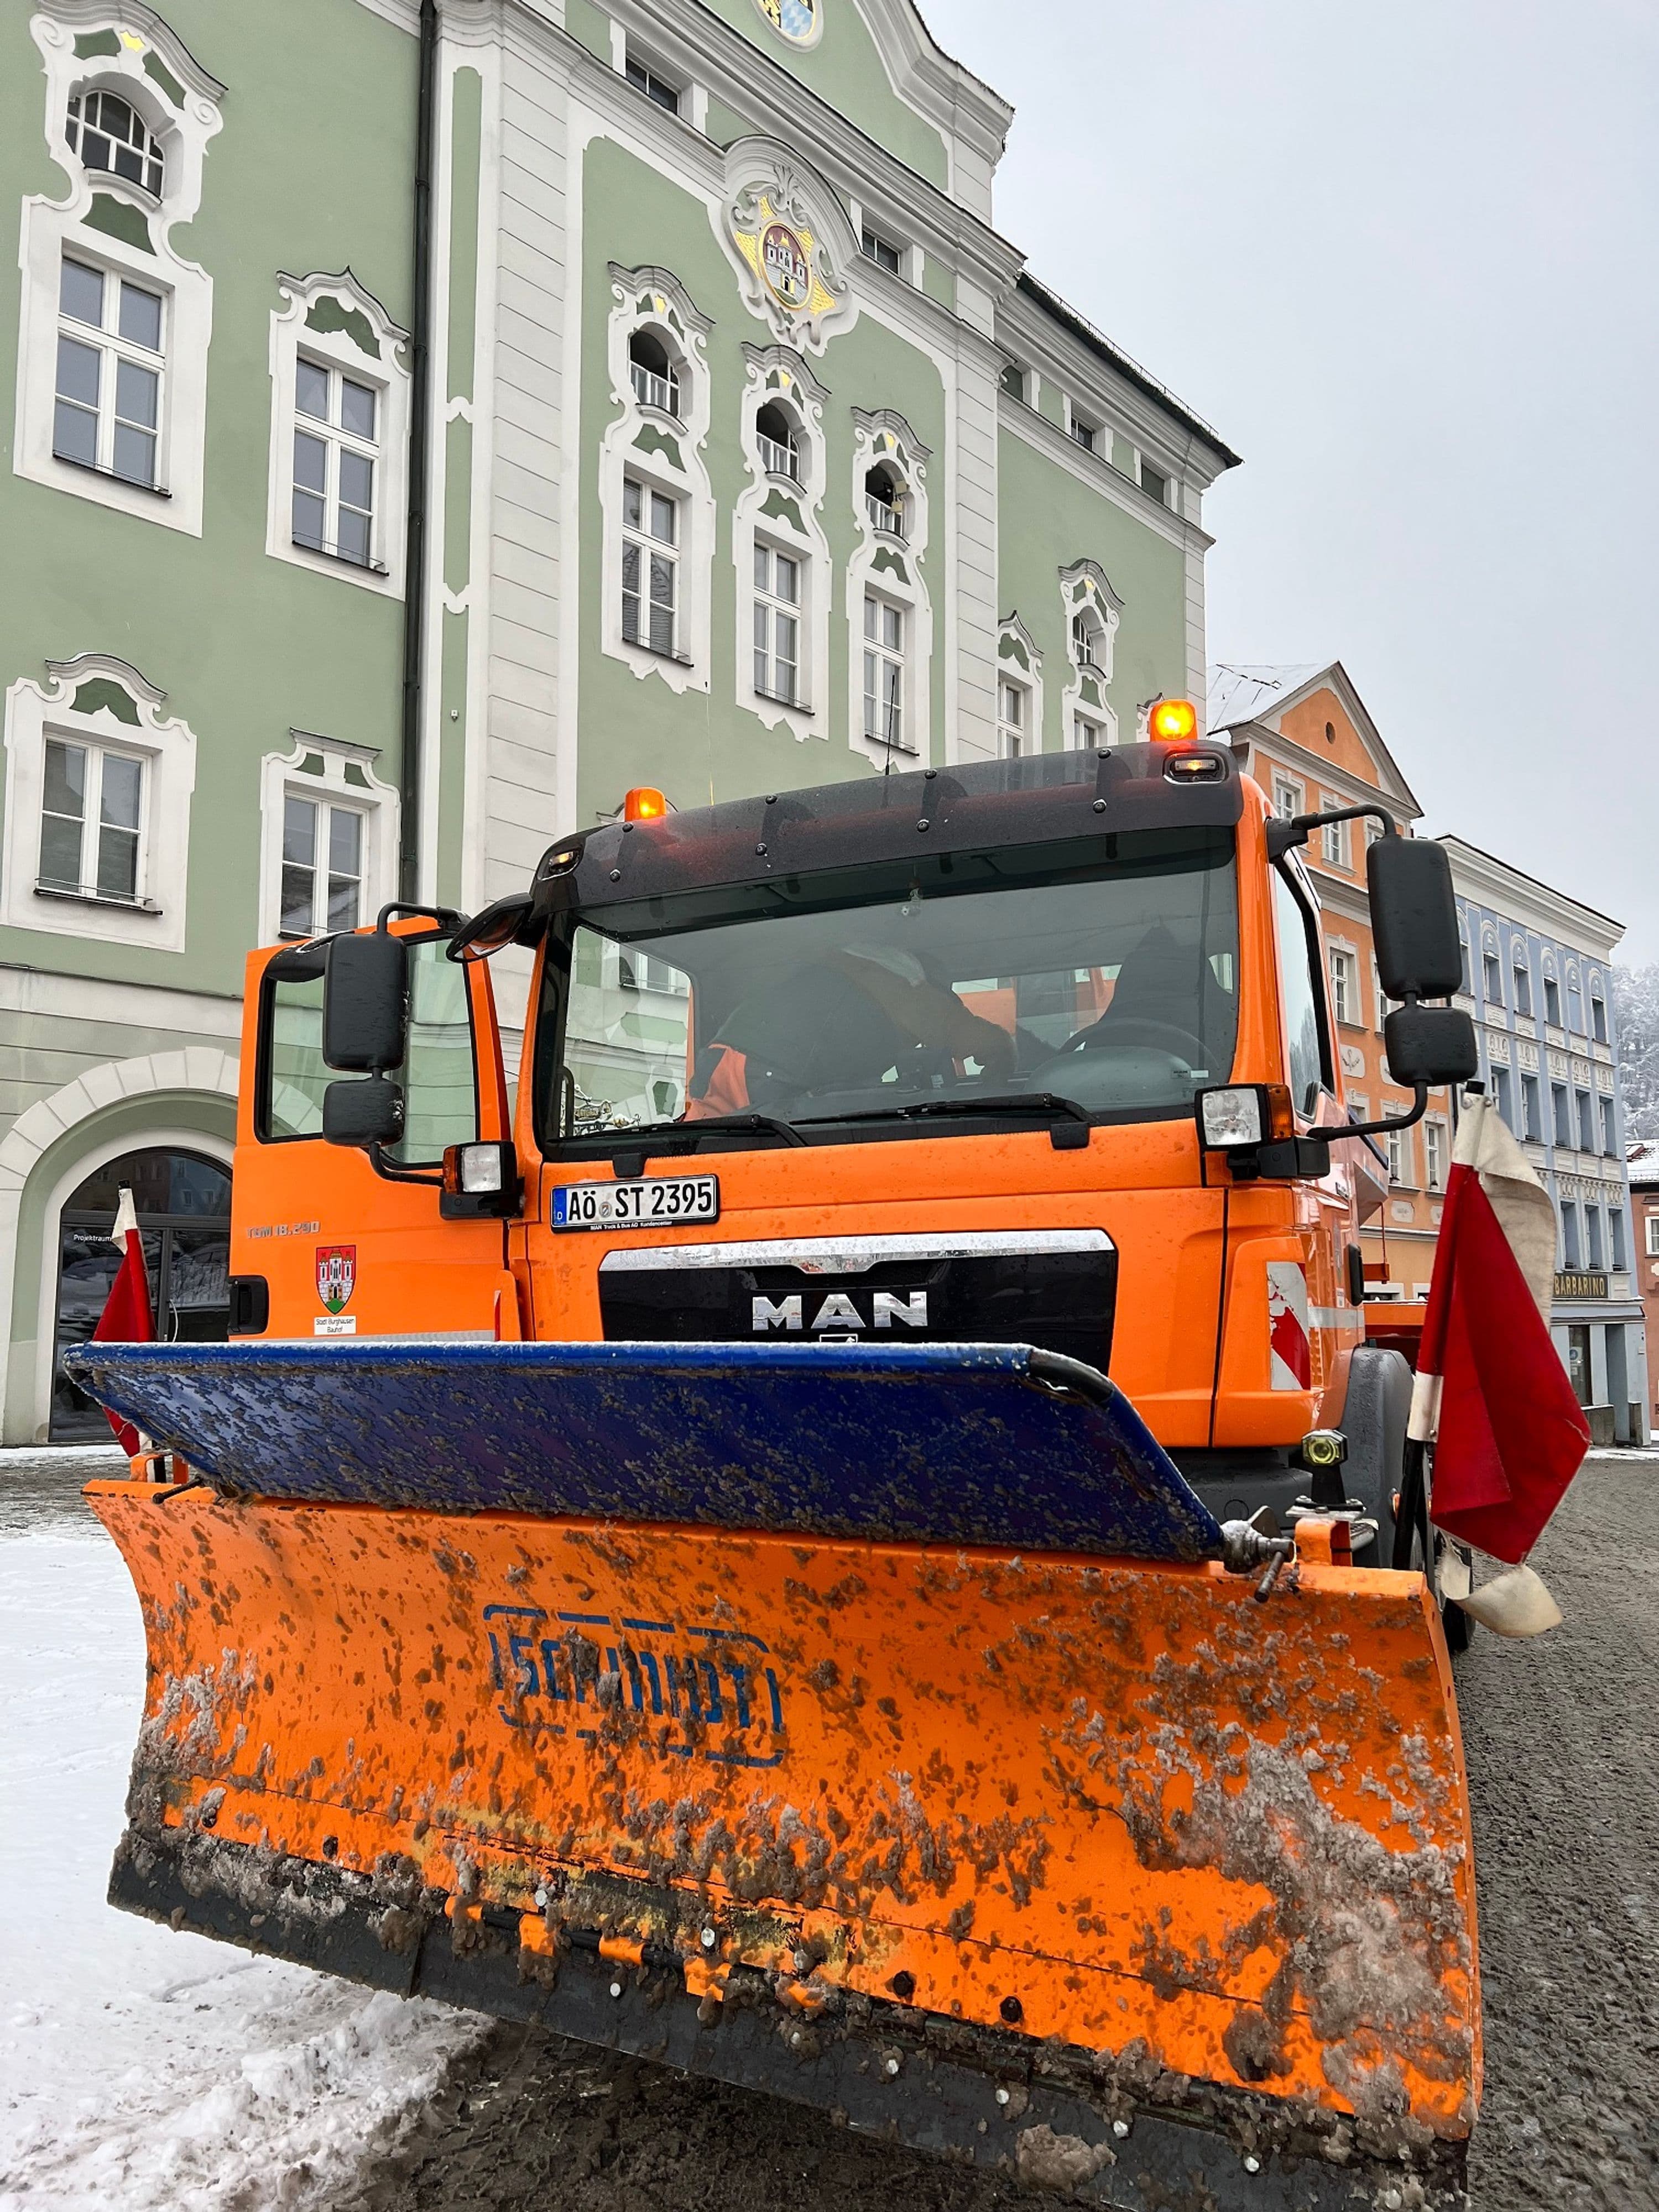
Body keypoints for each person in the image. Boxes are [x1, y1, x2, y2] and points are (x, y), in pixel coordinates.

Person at [686, 944, 1014, 1119]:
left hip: (721, 1060)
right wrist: (1003, 1046)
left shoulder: (854, 971)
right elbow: (963, 1033)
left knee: (704, 1149)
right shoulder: (908, 986)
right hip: (772, 1074)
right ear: (935, 984)